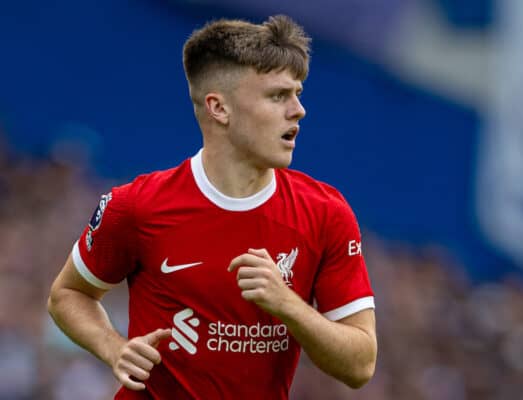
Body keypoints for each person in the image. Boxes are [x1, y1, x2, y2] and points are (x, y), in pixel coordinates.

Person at [47, 15, 377, 399]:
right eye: (277, 96)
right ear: (219, 108)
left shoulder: (326, 213)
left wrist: (286, 303)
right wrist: (113, 346)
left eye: (298, 93)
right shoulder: (136, 206)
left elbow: (361, 364)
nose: (298, 110)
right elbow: (67, 295)